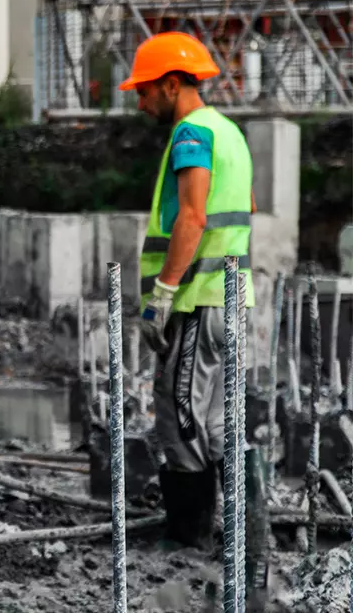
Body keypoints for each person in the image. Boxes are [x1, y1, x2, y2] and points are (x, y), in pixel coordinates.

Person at [122, 31, 254, 550]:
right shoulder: (230, 133)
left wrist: (163, 294)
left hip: (198, 299)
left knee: (181, 417)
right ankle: (240, 533)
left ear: (172, 84)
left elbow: (194, 217)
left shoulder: (192, 135)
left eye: (145, 90)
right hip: (228, 297)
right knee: (218, 419)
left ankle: (189, 537)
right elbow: (246, 211)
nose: (140, 101)